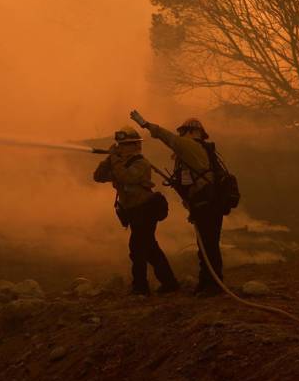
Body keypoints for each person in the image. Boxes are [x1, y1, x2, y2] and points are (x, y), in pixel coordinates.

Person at [130, 111, 225, 297]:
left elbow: (168, 138)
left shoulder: (190, 145)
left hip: (207, 204)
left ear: (190, 132)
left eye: (183, 132)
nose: (181, 136)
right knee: (206, 243)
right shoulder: (201, 150)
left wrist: (145, 124)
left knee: (208, 244)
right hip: (205, 203)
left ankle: (213, 284)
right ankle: (207, 282)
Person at [93, 126, 179, 296]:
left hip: (146, 210)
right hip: (133, 212)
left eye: (124, 145)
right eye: (119, 145)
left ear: (134, 146)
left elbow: (127, 177)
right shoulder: (119, 164)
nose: (120, 148)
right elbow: (98, 176)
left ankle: (140, 287)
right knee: (150, 248)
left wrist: (114, 159)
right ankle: (169, 283)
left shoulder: (141, 163)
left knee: (137, 249)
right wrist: (109, 160)